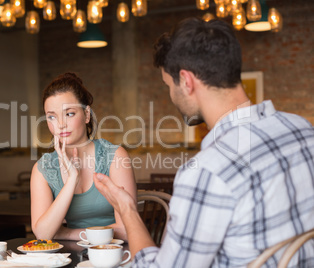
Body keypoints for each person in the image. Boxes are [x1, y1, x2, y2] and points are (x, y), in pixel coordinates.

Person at [93, 18, 314, 267]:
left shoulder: (208, 171)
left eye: (169, 85)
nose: (171, 95)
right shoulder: (302, 130)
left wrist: (127, 210)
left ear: (186, 82)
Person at [31, 72, 137, 241]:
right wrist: (72, 178)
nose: (60, 124)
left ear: (87, 115)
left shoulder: (115, 156)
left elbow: (127, 229)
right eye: (52, 117)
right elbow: (43, 234)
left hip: (115, 255)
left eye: (69, 113)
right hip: (69, 260)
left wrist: (65, 234)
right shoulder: (42, 169)